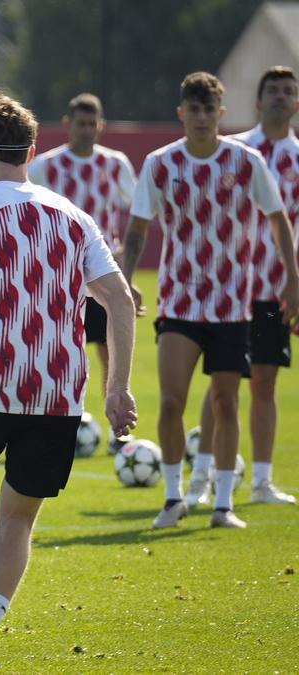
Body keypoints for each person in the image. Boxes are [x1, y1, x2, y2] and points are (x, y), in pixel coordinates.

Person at [0, 90, 137, 671]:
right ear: (33, 151)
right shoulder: (73, 215)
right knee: (20, 518)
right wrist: (117, 387)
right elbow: (120, 301)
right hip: (61, 393)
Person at [120, 72, 299, 530]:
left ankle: (223, 504)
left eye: (208, 110)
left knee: (225, 401)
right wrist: (127, 280)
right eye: (192, 109)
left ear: (221, 114)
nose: (200, 118)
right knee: (171, 402)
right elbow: (138, 230)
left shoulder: (245, 161)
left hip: (231, 304)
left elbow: (279, 222)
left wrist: (293, 278)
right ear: (182, 113)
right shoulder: (160, 164)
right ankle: (174, 497)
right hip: (179, 301)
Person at [187, 66, 299, 507]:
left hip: (274, 289)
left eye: (288, 91)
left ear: (296, 102)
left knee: (266, 383)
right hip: (230, 287)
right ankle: (200, 481)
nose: (280, 96)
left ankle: (262, 482)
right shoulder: (235, 151)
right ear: (257, 101)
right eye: (272, 89)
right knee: (222, 386)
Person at [29, 93, 138, 453]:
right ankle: (52, 422)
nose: (87, 130)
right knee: (59, 350)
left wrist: (127, 267)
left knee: (109, 349)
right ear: (67, 125)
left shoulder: (116, 164)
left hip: (103, 272)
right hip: (61, 277)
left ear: (102, 126)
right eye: (81, 123)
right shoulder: (46, 166)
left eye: (93, 124)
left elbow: (135, 213)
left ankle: (117, 426)